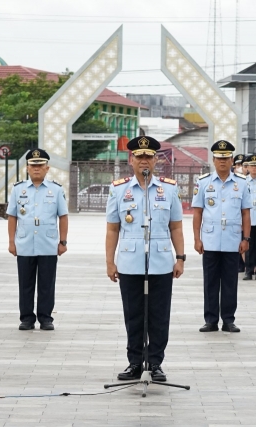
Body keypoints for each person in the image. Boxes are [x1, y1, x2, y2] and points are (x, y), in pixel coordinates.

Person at [105, 136, 185, 382]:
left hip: (160, 261)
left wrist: (180, 257)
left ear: (155, 160)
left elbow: (176, 227)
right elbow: (112, 229)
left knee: (159, 314)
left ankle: (155, 362)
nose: (144, 161)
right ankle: (135, 362)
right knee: (134, 314)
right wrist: (110, 261)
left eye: (148, 156)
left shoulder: (169, 189)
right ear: (131, 160)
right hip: (130, 261)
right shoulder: (119, 189)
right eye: (139, 156)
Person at [7, 148, 68, 331]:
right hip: (25, 243)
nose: (36, 169)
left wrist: (63, 242)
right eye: (33, 165)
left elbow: (63, 216)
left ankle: (45, 317)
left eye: (40, 165)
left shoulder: (55, 190)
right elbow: (12, 216)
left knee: (46, 284)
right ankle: (26, 318)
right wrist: (11, 242)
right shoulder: (18, 189)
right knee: (25, 283)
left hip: (48, 243)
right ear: (27, 167)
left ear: (47, 168)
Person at [193, 140, 250, 333]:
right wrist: (197, 239)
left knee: (229, 282)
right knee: (210, 281)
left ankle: (228, 320)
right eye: (219, 158)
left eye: (226, 158)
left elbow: (246, 213)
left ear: (232, 160)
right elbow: (198, 212)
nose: (223, 161)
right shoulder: (203, 183)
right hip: (209, 240)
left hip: (233, 241)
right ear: (213, 160)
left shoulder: (241, 184)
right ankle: (210, 320)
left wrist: (246, 238)